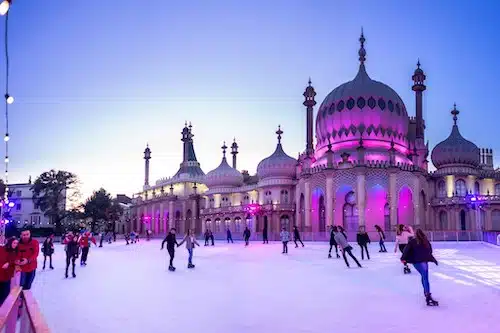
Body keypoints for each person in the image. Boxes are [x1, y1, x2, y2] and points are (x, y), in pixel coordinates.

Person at [401, 229, 439, 306]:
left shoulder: (413, 241)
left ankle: (426, 293)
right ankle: (427, 295)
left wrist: (403, 258)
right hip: (423, 262)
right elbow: (429, 252)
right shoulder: (425, 241)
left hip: (416, 262)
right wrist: (433, 259)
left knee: (423, 276)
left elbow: (406, 250)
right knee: (425, 278)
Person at [0, 237, 18, 305]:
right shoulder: (2, 249)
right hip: (1, 274)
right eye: (14, 243)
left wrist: (9, 263)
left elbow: (14, 260)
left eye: (16, 243)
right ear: (10, 242)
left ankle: (3, 309)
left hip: (7, 275)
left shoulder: (14, 251)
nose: (15, 245)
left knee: (5, 293)